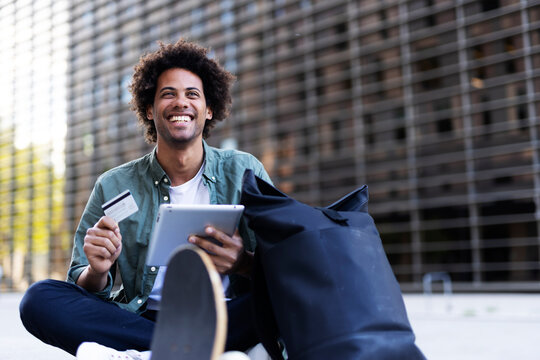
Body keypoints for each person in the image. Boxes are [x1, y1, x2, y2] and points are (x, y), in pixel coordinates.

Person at [19, 39, 272, 358]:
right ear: (149, 110)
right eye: (168, 94)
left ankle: (147, 352)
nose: (181, 103)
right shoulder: (114, 184)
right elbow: (82, 283)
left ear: (209, 110)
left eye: (192, 94)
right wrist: (97, 271)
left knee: (290, 290)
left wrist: (243, 263)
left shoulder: (244, 170)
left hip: (226, 315)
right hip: (140, 317)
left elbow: (283, 261)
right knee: (39, 298)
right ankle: (183, 348)